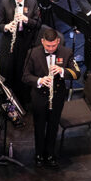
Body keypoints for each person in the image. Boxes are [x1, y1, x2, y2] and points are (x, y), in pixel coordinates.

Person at [22, 27, 80, 168]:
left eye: (54, 45)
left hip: (57, 96)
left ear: (58, 41)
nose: (51, 48)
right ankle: (39, 154)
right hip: (39, 97)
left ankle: (50, 153)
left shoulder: (66, 53)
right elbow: (25, 76)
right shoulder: (33, 53)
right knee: (39, 127)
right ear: (42, 41)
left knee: (53, 126)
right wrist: (40, 81)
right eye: (48, 46)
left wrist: (62, 71)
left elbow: (77, 73)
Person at [0, 0, 41, 103]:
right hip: (9, 42)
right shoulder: (5, 3)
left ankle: (22, 99)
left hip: (25, 41)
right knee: (8, 70)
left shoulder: (32, 2)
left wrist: (26, 19)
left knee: (22, 70)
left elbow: (38, 24)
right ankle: (6, 98)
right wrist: (6, 27)